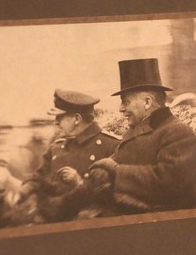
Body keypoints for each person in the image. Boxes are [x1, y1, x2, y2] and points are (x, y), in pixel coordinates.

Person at [90, 58, 196, 214]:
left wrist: (116, 170)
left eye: (125, 102)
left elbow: (168, 182)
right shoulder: (137, 129)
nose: (121, 109)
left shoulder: (178, 133)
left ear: (147, 102)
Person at [6, 89, 120, 221]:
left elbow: (115, 195)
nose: (55, 122)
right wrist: (22, 191)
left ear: (76, 118)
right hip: (52, 218)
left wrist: (79, 183)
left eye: (59, 117)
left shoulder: (111, 146)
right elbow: (39, 177)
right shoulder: (57, 147)